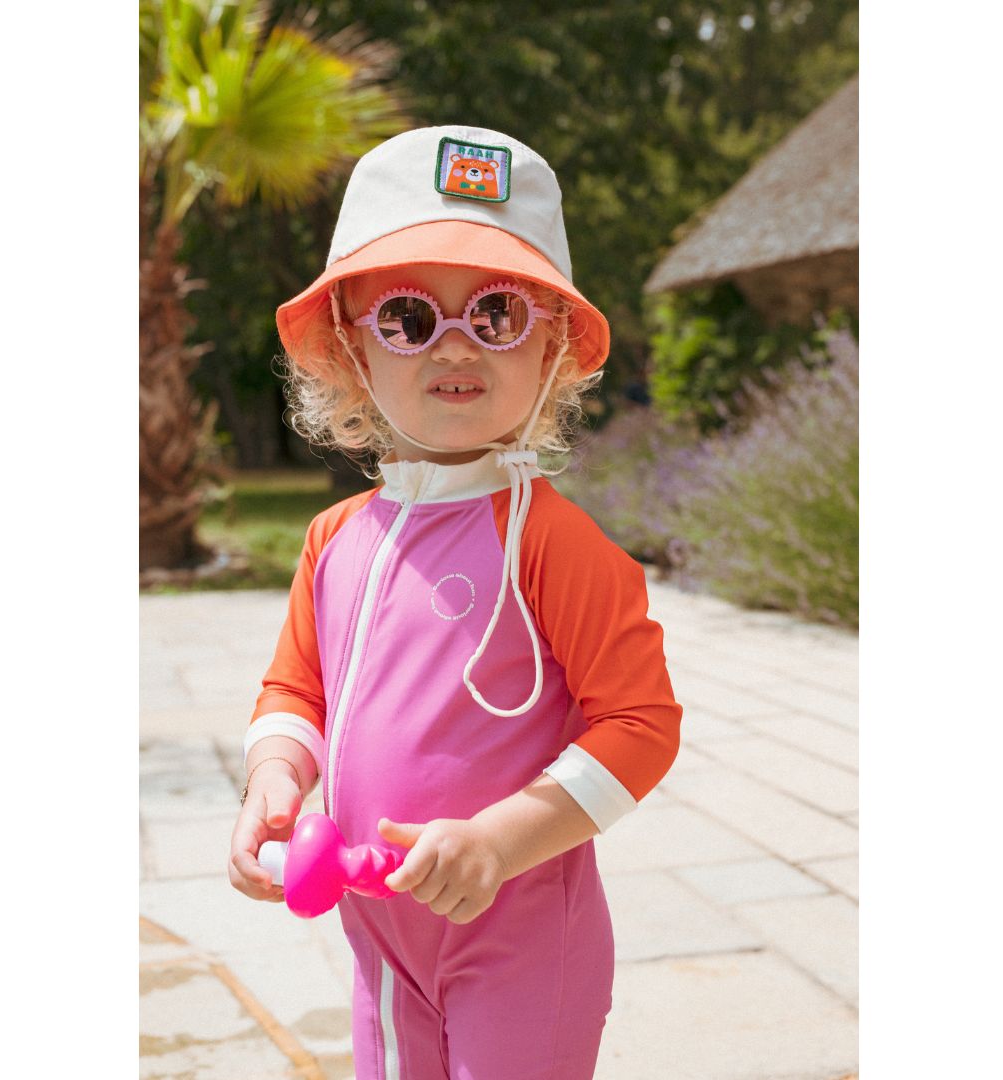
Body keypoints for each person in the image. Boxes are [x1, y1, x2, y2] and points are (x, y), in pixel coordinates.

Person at [228, 125, 683, 1080]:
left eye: (497, 313)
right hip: (378, 924)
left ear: (553, 344)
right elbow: (295, 693)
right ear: (350, 348)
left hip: (521, 931)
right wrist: (275, 775)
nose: (454, 344)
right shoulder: (333, 538)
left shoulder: (555, 542)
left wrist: (499, 842)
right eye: (407, 317)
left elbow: (640, 724)